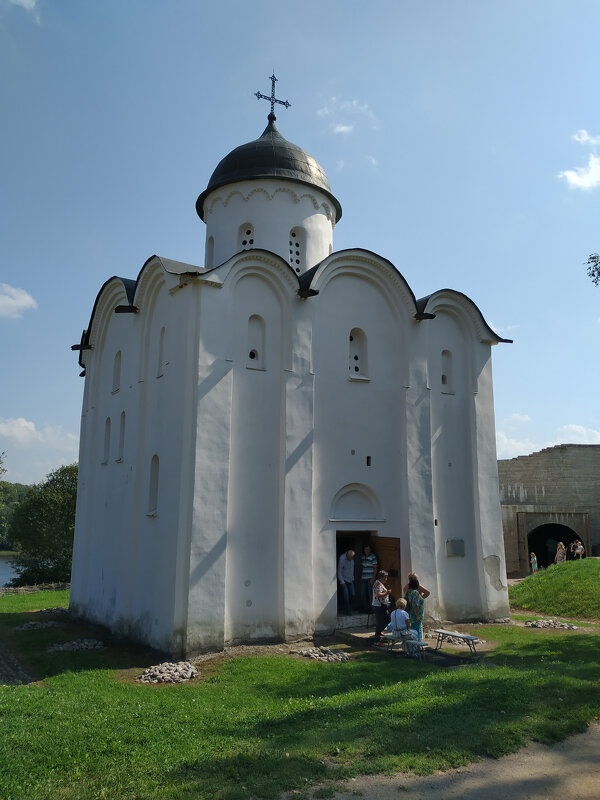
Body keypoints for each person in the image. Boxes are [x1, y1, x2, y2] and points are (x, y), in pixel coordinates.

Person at [402, 572, 430, 641]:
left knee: (412, 627)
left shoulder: (407, 589)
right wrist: (420, 599)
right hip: (415, 612)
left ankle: (414, 641)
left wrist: (420, 599)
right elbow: (415, 605)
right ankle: (418, 643)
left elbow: (406, 599)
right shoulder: (415, 591)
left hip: (409, 611)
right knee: (417, 628)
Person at [371, 570, 391, 645]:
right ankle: (377, 640)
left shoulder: (378, 583)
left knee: (387, 619)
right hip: (379, 606)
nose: (386, 579)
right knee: (381, 622)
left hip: (379, 605)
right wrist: (387, 592)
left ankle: (379, 632)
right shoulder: (378, 584)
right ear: (381, 577)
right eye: (385, 577)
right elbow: (378, 594)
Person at [360, 544, 378, 613]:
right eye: (366, 549)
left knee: (370, 594)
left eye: (368, 549)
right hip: (363, 578)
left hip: (370, 578)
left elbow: (375, 567)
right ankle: (365, 609)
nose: (367, 551)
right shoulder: (362, 557)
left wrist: (373, 577)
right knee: (363, 594)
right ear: (364, 550)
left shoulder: (373, 557)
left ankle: (372, 609)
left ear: (370, 550)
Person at [337, 550, 355, 615]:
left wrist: (352, 579)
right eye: (350, 557)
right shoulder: (342, 559)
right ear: (347, 555)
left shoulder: (352, 560)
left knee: (353, 594)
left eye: (352, 557)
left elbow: (351, 570)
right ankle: (348, 611)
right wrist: (342, 582)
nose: (351, 559)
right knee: (346, 596)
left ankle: (350, 607)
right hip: (344, 580)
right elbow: (339, 571)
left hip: (350, 579)